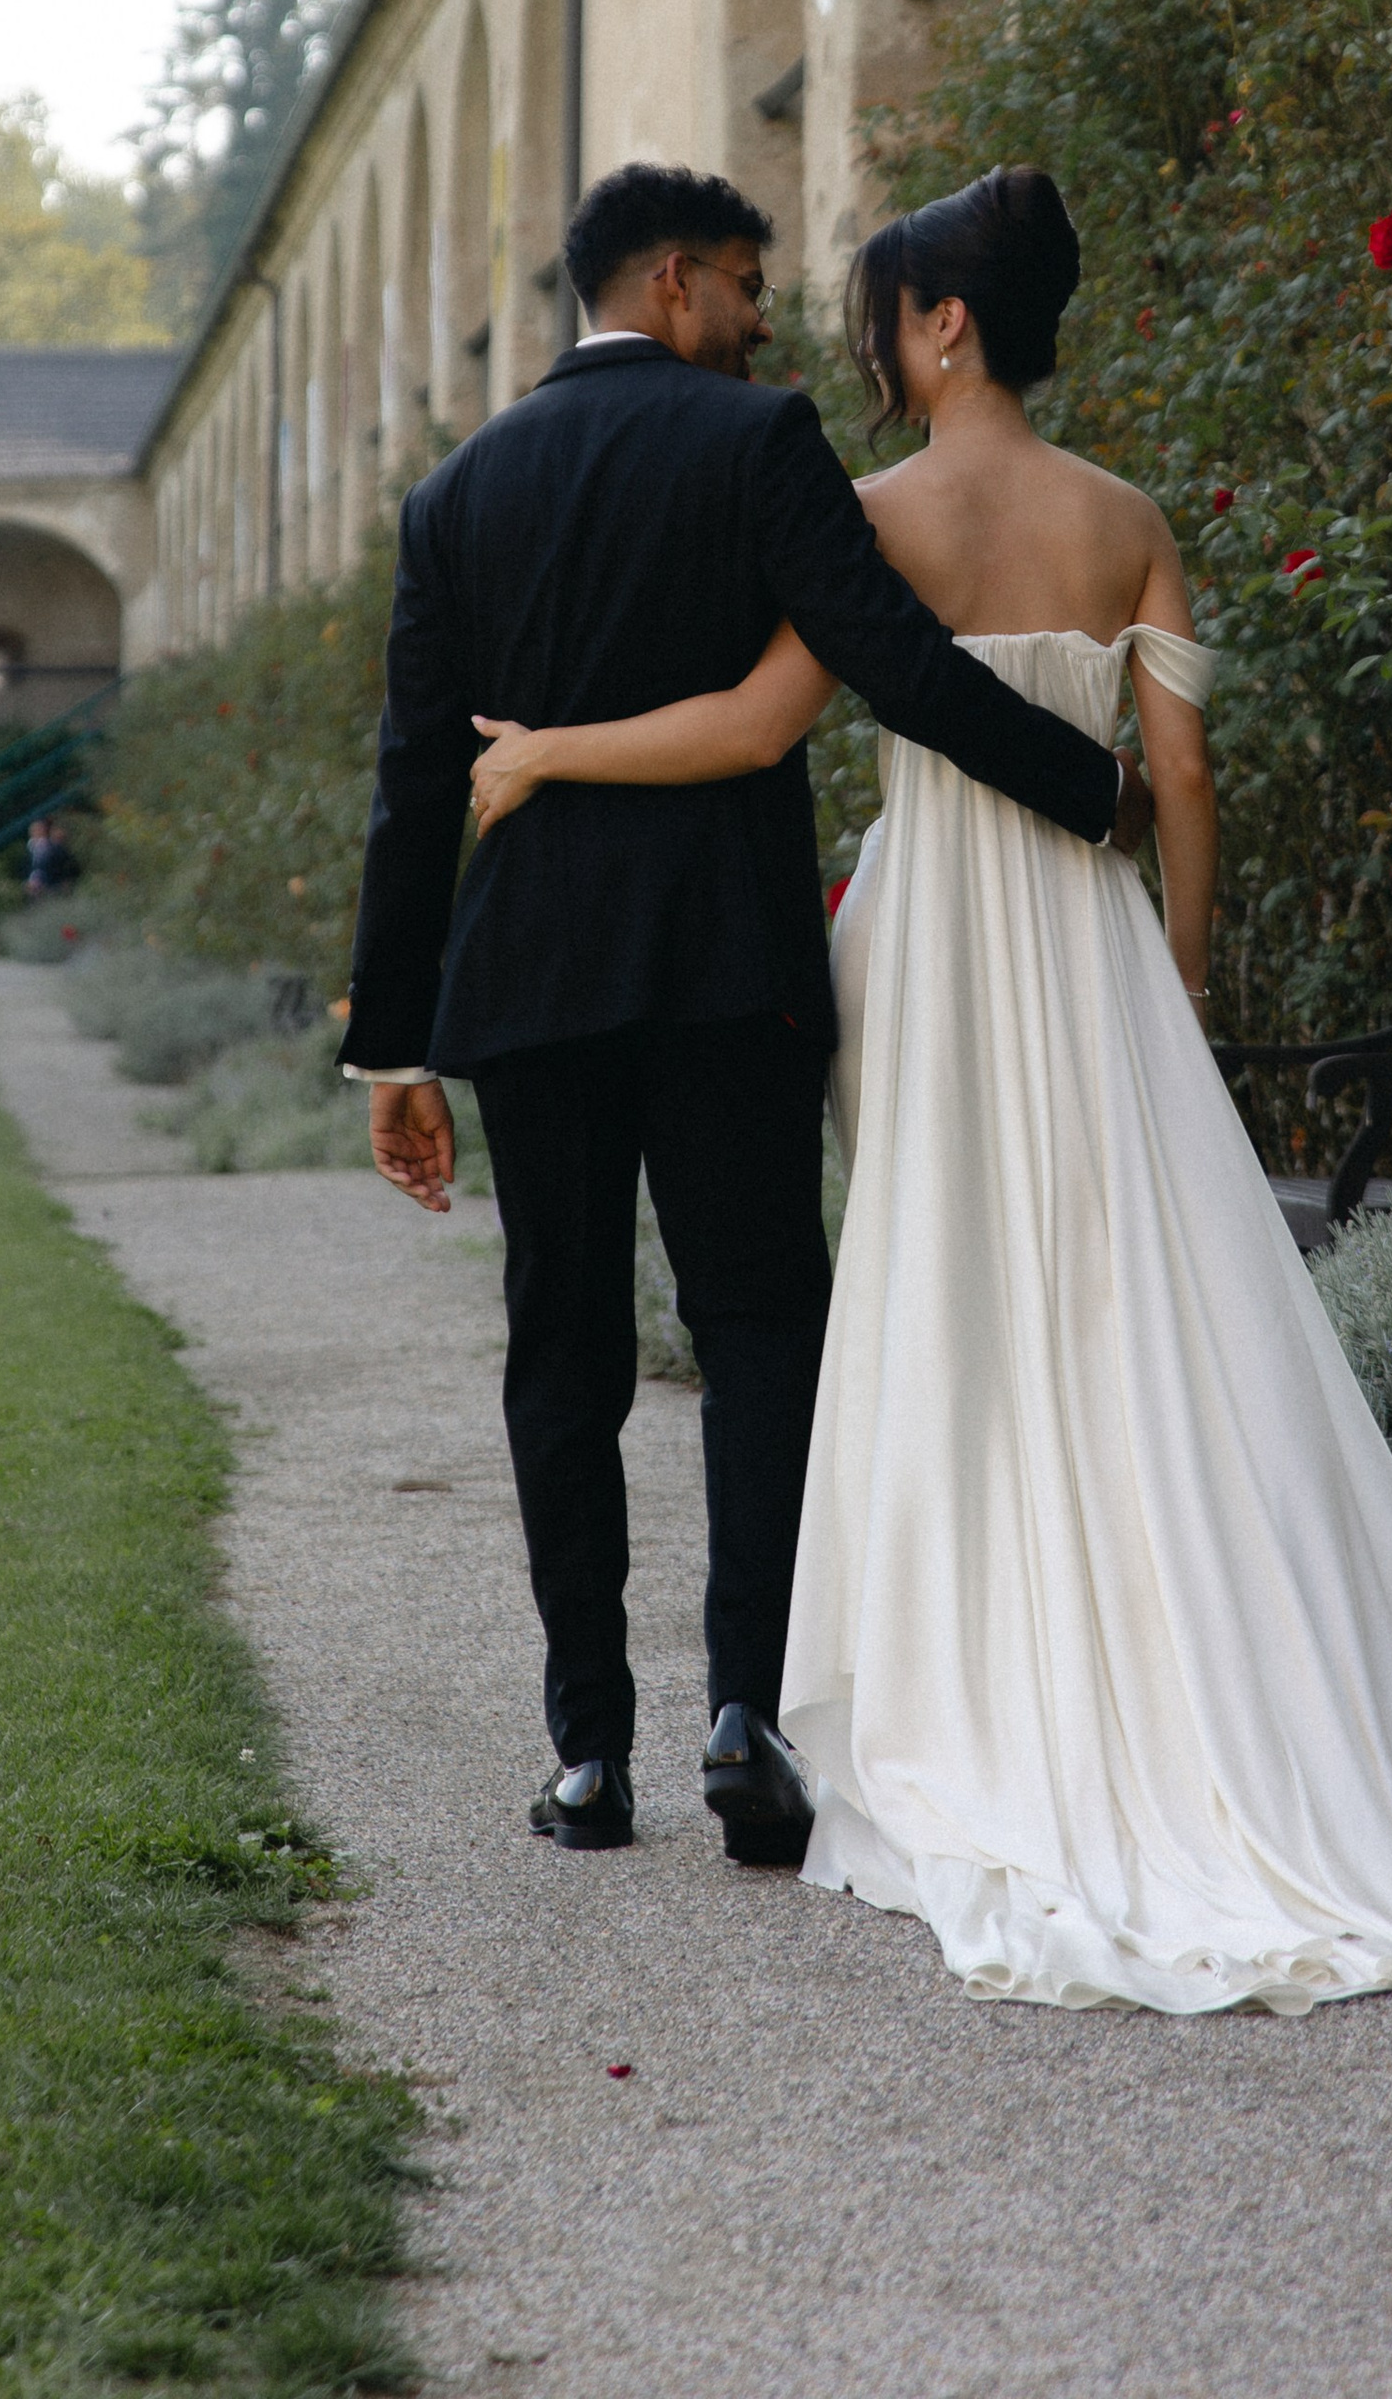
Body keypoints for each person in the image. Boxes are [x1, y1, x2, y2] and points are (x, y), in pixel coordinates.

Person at [465, 164, 1392, 2013]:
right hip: (1091, 942)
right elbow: (1186, 783)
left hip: (931, 945)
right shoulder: (1125, 518)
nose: (864, 347)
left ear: (944, 323)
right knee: (1131, 1307)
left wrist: (548, 750)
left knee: (934, 1301)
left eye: (884, 311)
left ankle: (940, 1679)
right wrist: (1178, 983)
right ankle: (1198, 1684)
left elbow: (752, 728)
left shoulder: (866, 509)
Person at [339, 161, 1151, 1868]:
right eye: (753, 291)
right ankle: (747, 1715)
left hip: (538, 993)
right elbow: (897, 662)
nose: (768, 324)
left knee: (559, 1353)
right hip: (729, 974)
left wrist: (396, 1048)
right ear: (684, 279)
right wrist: (1094, 789)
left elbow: (417, 786)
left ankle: (585, 1759)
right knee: (764, 1329)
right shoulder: (758, 442)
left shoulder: (452, 498)